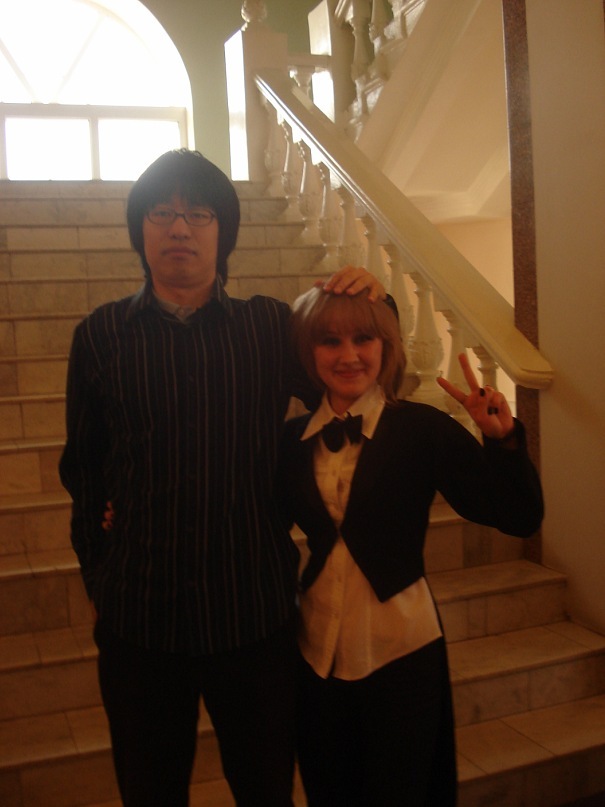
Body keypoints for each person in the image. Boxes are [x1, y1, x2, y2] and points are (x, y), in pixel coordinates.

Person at [58, 148, 385, 807]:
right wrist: (98, 574)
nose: (179, 227)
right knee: (150, 792)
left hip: (252, 615)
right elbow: (84, 468)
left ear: (222, 232)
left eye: (199, 214)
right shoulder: (100, 336)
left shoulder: (268, 328)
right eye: (161, 212)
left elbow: (352, 385)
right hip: (139, 621)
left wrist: (372, 307)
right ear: (141, 229)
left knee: (265, 789)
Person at [276, 287, 544, 807]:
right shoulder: (290, 440)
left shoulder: (422, 428)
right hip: (315, 650)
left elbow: (517, 516)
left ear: (388, 346)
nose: (348, 355)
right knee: (329, 789)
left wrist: (503, 441)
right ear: (308, 352)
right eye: (329, 341)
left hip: (402, 646)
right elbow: (255, 523)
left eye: (363, 337)